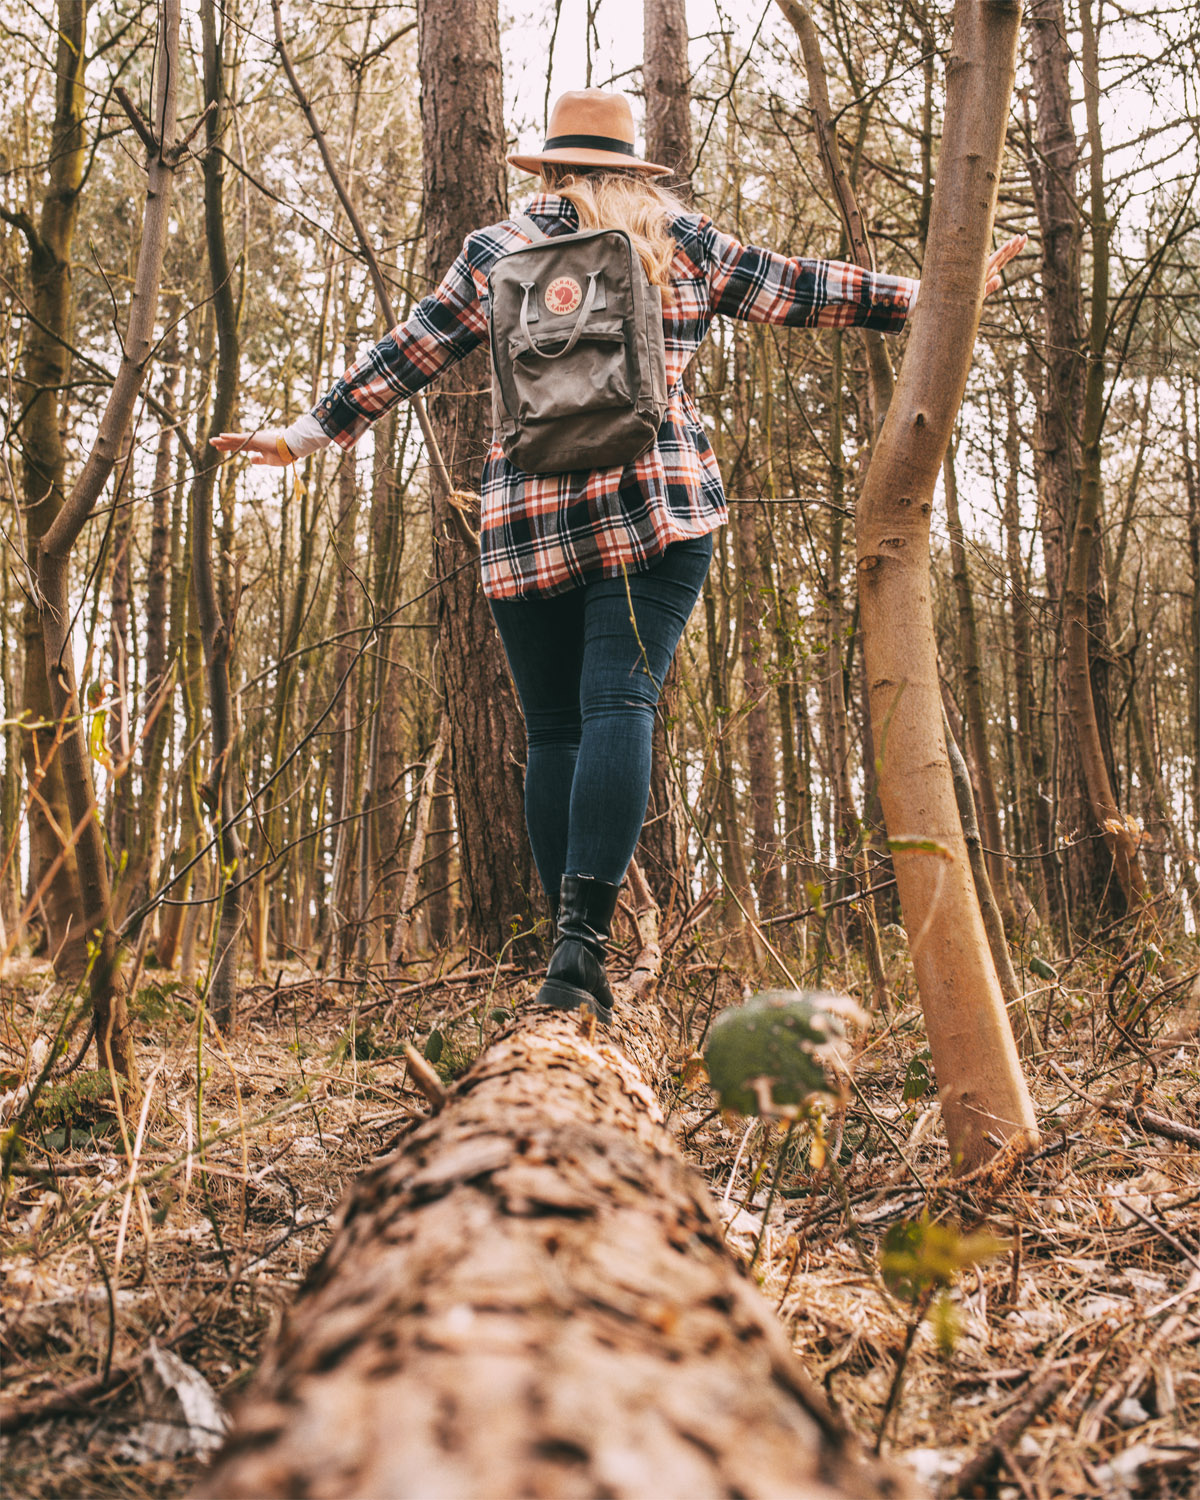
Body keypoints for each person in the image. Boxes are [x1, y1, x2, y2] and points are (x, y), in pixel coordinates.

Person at [213, 88, 1023, 1026]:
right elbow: (799, 288)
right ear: (632, 168)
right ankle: (579, 950)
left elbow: (409, 351)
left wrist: (304, 435)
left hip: (525, 515)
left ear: (550, 167)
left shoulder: (495, 252)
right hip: (656, 503)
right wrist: (935, 297)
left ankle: (563, 960)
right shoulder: (679, 240)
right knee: (621, 703)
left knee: (555, 729)